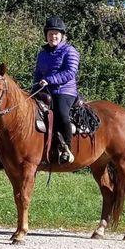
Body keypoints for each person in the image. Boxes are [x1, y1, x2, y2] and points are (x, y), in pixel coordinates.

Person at [32, 16, 80, 164]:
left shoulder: (70, 51)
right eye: (50, 33)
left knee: (61, 114)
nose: (53, 36)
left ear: (62, 35)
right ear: (46, 35)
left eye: (56, 33)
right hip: (45, 91)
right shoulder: (42, 53)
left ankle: (66, 148)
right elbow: (38, 73)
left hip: (64, 91)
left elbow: (70, 72)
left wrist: (50, 80)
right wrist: (34, 88)